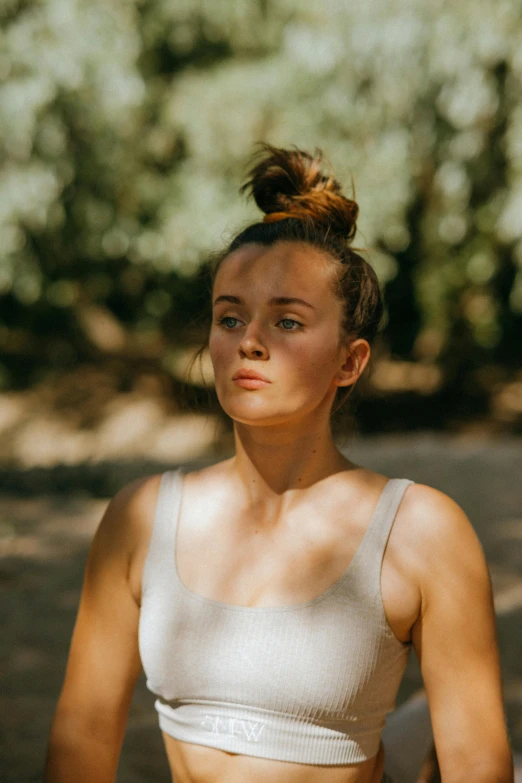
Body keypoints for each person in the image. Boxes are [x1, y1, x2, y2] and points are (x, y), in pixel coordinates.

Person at [44, 144, 514, 783]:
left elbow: (476, 770)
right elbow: (79, 751)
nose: (250, 342)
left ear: (350, 362)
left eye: (288, 322)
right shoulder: (142, 517)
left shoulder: (422, 532)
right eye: (229, 317)